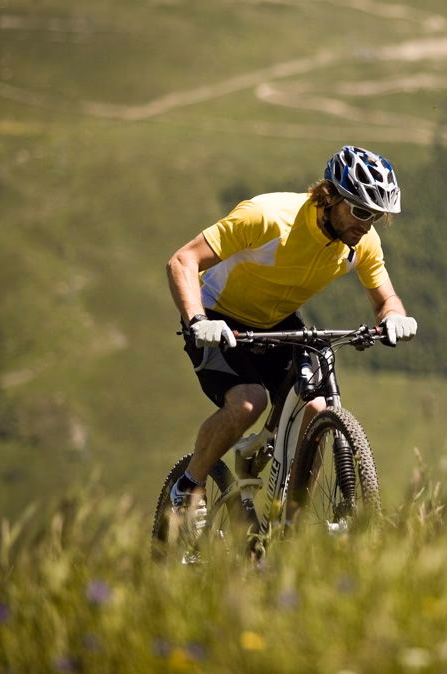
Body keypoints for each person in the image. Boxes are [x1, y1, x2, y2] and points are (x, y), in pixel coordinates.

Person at [165, 145, 417, 523]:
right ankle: (188, 487)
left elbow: (386, 299)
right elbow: (183, 260)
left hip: (278, 321)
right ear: (330, 196)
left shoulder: (360, 243)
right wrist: (198, 321)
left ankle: (289, 523)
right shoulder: (268, 217)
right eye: (361, 211)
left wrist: (395, 317)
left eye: (377, 216)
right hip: (218, 316)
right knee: (249, 402)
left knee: (316, 408)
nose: (367, 225)